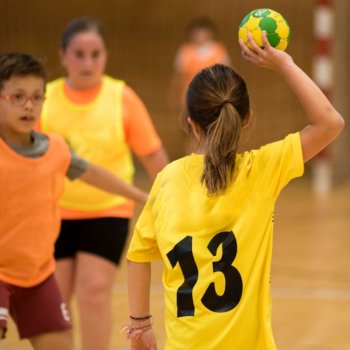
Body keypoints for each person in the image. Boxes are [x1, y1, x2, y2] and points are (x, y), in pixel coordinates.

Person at [125, 32, 344, 350]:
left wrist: (140, 324)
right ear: (247, 119)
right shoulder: (261, 170)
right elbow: (330, 122)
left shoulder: (167, 179)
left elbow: (138, 256)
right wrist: (283, 63)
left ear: (192, 123)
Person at [0, 53, 148, 350]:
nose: (29, 105)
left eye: (36, 97)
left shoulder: (54, 149)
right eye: (18, 97)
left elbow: (91, 173)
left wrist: (144, 197)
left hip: (38, 277)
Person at [39, 17, 169, 350]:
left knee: (94, 291)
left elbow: (154, 157)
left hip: (108, 211)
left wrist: (171, 200)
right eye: (79, 54)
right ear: (63, 56)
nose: (87, 62)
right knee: (57, 299)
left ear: (105, 56)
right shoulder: (45, 99)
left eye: (95, 54)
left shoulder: (121, 97)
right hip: (53, 214)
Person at [169, 17, 231, 109]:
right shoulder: (185, 50)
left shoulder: (219, 50)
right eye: (196, 32)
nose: (199, 35)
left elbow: (227, 76)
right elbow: (178, 76)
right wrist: (173, 94)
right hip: (190, 98)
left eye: (202, 32)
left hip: (213, 98)